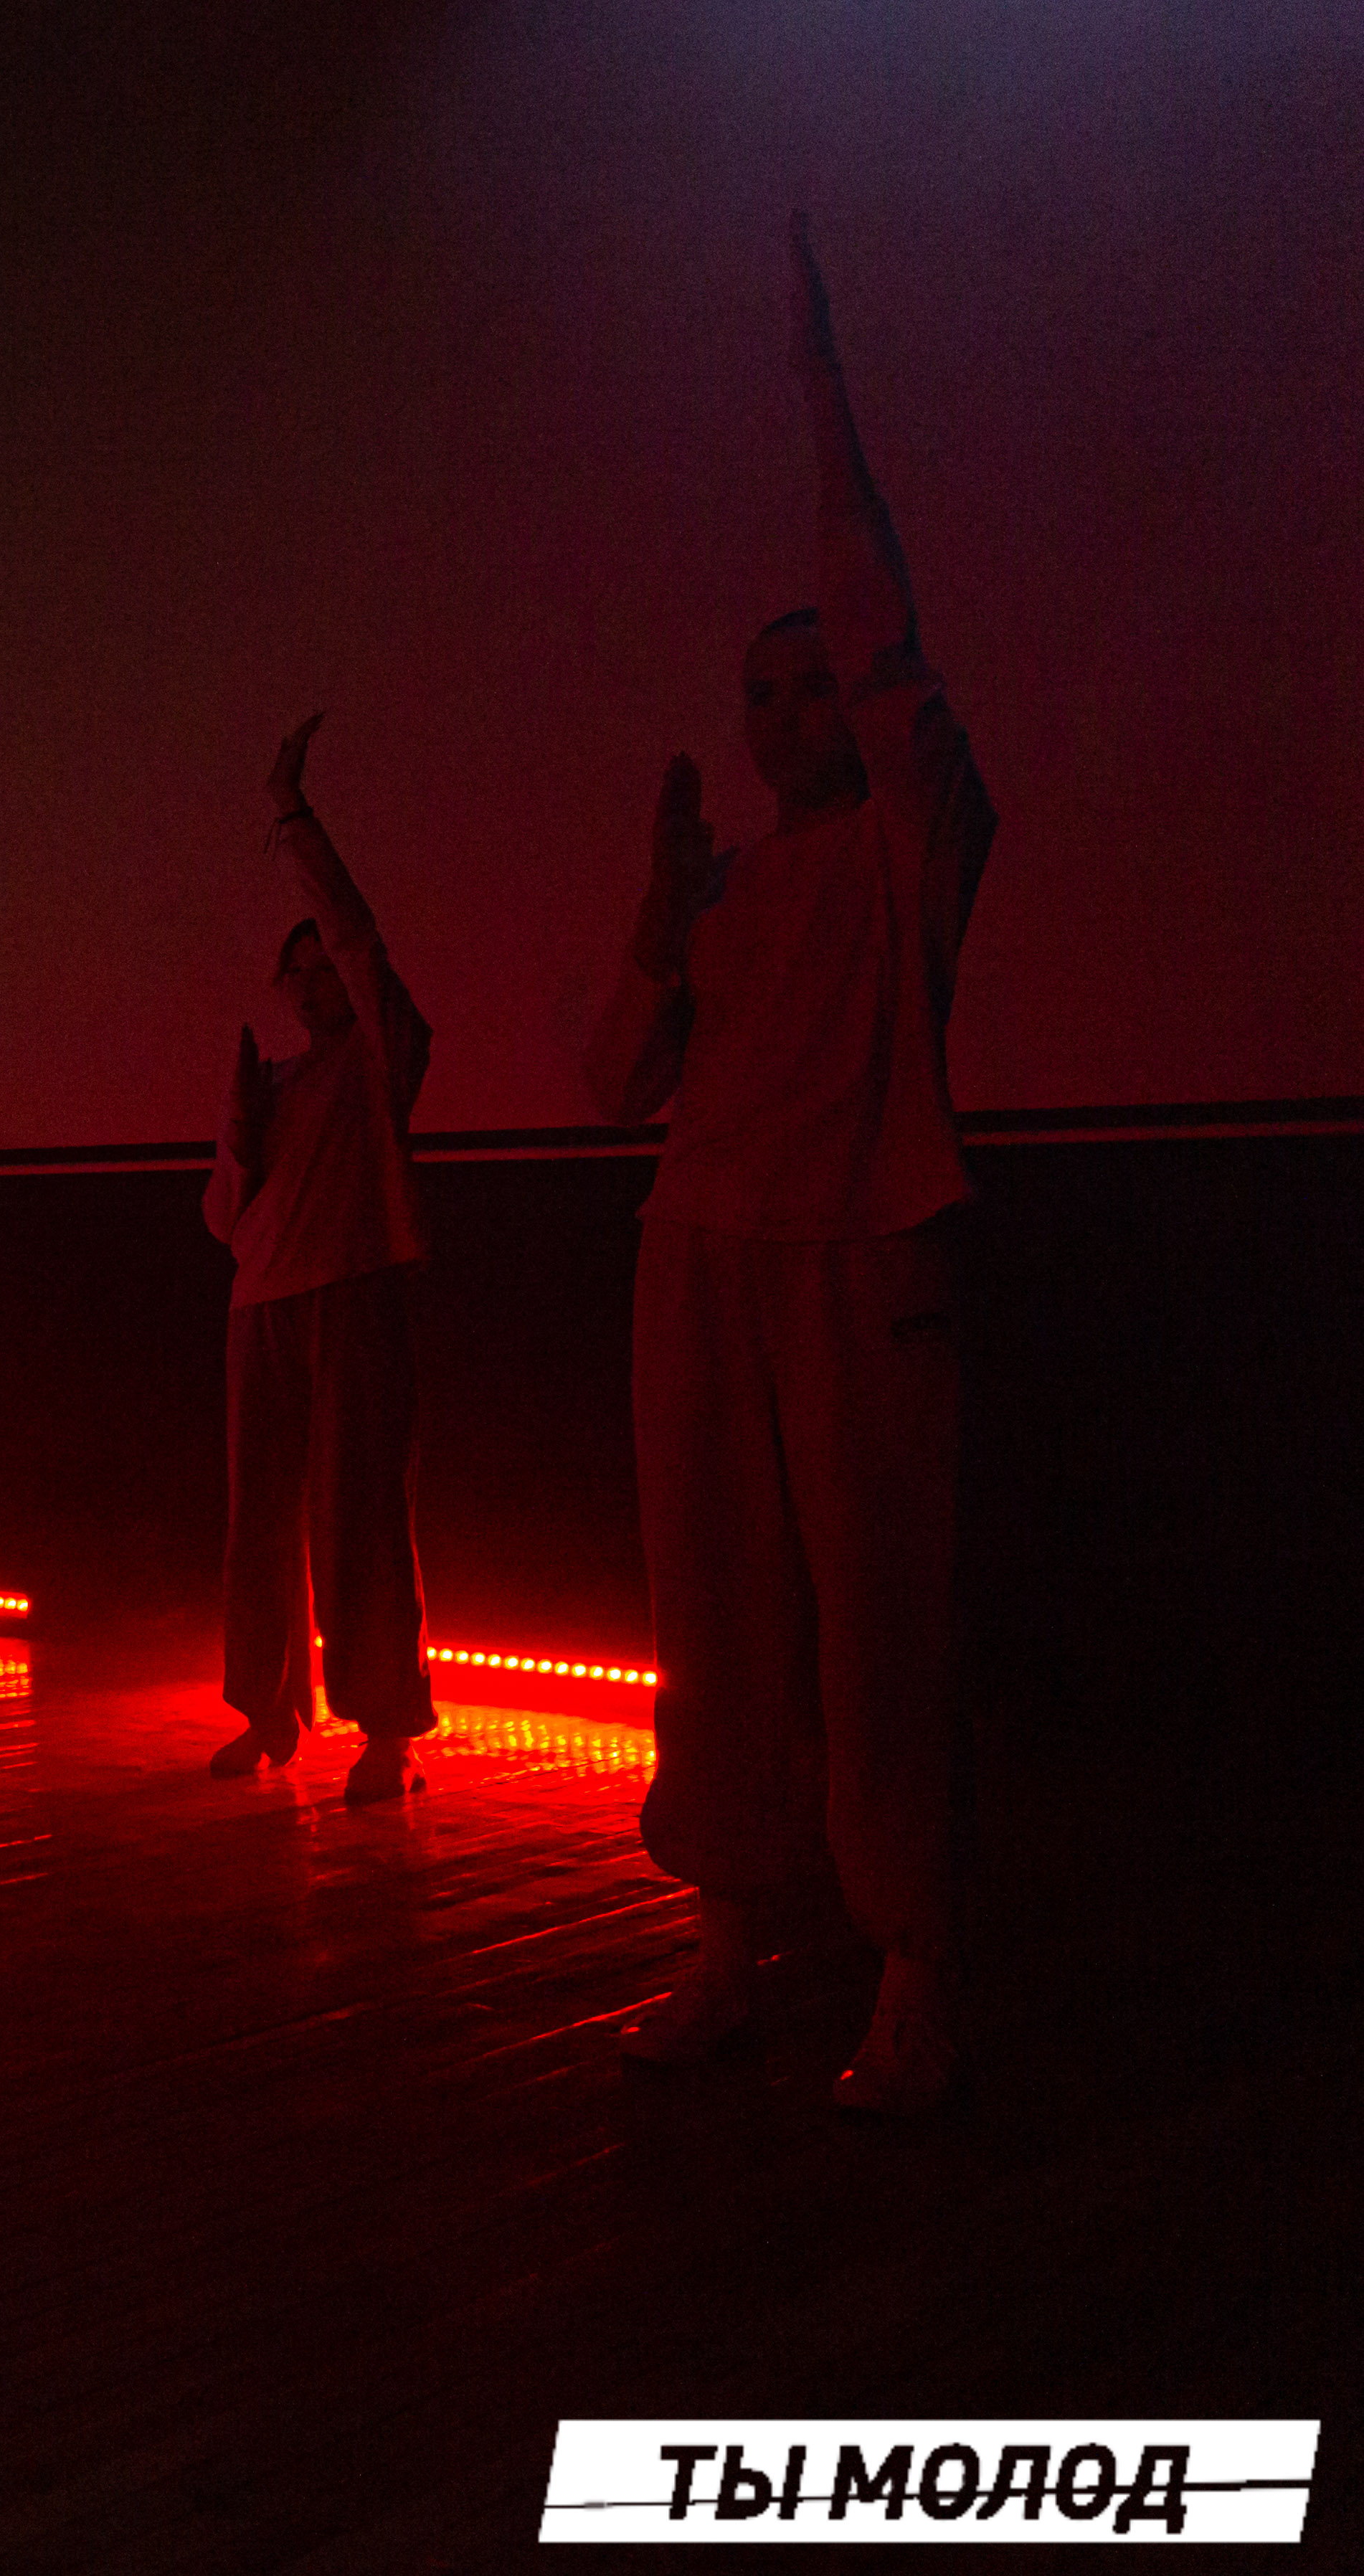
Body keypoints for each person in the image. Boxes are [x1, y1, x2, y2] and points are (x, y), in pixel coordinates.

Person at [584, 219, 994, 2116]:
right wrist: (653, 916)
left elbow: (884, 629)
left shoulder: (908, 846)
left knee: (878, 1610)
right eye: (759, 695)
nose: (785, 717)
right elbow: (614, 1085)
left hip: (857, 1252)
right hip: (697, 1256)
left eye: (809, 687)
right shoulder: (730, 883)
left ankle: (910, 1957)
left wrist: (819, 389)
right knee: (716, 1616)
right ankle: (731, 1929)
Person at [200, 713, 438, 1806]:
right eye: (290, 971)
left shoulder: (379, 1059)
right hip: (261, 1305)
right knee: (258, 1519)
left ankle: (385, 1726)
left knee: (357, 1514)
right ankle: (267, 1708)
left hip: (352, 1290)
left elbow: (357, 934)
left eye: (318, 968)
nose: (308, 982)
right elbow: (223, 1222)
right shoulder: (277, 1082)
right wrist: (237, 1139)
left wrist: (291, 813)